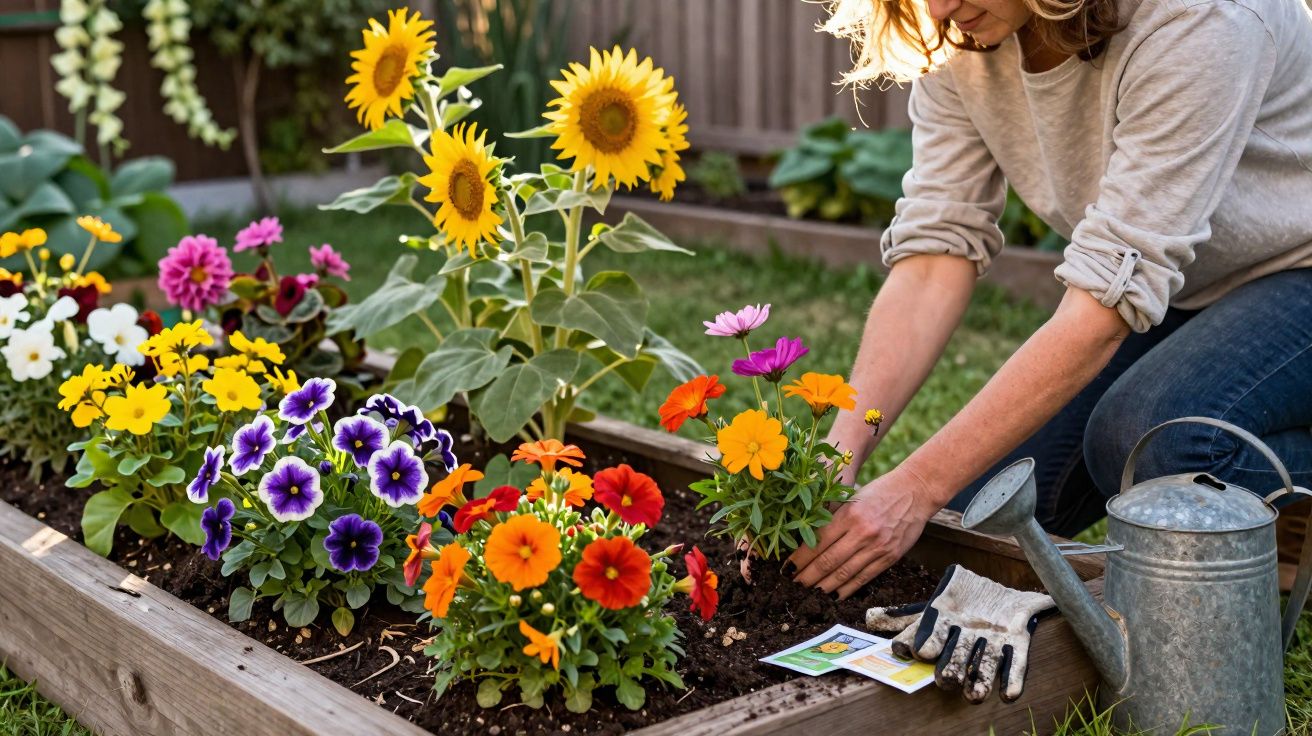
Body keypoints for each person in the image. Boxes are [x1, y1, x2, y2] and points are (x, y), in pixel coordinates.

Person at [789, 0, 1312, 600]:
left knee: (1150, 441)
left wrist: (914, 487)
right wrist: (835, 458)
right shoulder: (958, 32)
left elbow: (1102, 312)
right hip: (1187, 285)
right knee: (975, 516)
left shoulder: (1204, 17)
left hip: (1300, 268)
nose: (937, 9)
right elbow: (936, 255)